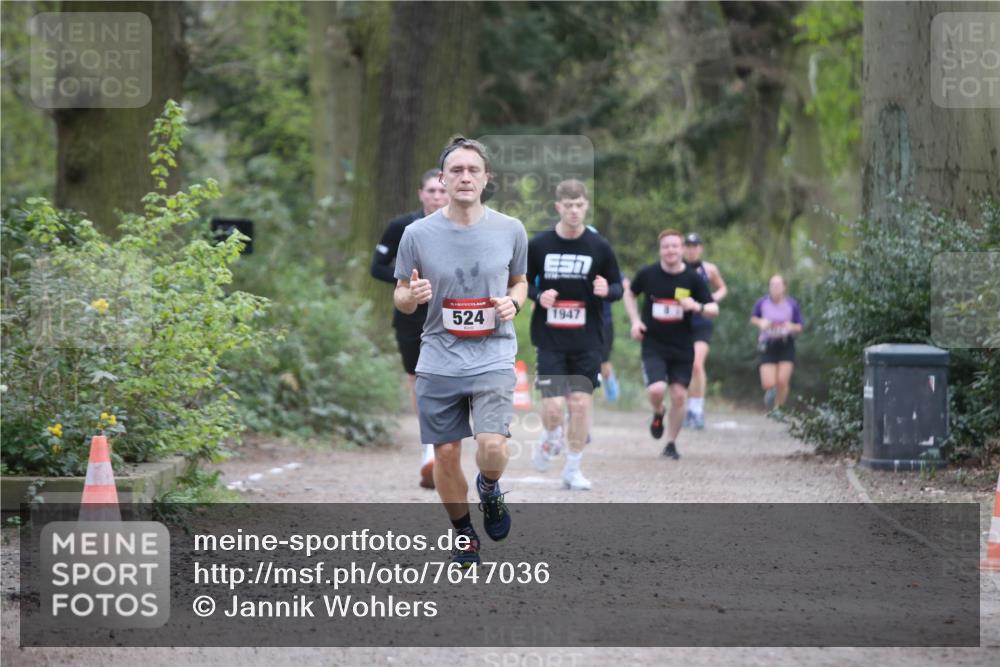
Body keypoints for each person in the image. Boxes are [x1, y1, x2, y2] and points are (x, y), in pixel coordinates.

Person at [393, 136, 528, 567]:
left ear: (487, 178)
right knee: (446, 454)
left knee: (491, 446)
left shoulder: (511, 229)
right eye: (456, 170)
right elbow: (399, 295)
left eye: (473, 170)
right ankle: (464, 532)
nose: (465, 177)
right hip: (438, 354)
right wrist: (411, 296)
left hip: (493, 352)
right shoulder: (416, 234)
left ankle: (489, 487)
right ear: (443, 179)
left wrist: (515, 301)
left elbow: (521, 281)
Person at [527, 180, 623, 489]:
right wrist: (537, 295)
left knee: (580, 404)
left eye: (579, 205)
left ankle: (572, 468)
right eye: (567, 205)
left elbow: (619, 286)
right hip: (550, 338)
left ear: (586, 206)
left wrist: (608, 290)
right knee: (554, 407)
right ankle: (550, 435)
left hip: (587, 338)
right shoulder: (540, 244)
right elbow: (519, 281)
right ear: (558, 207)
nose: (573, 211)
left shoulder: (599, 246)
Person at [371, 169, 449, 489]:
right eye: (430, 190)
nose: (436, 196)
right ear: (420, 193)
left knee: (446, 375)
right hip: (410, 315)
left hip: (448, 315)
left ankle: (445, 439)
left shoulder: (458, 227)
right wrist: (407, 282)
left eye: (441, 191)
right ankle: (429, 446)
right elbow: (377, 267)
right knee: (417, 378)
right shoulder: (402, 226)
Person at [624, 229, 718, 459]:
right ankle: (658, 412)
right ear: (660, 250)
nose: (671, 251)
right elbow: (630, 294)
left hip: (682, 345)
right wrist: (635, 322)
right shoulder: (648, 274)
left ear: (682, 249)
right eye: (666, 246)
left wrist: (696, 306)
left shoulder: (692, 278)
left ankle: (671, 444)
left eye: (675, 246)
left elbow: (713, 309)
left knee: (678, 396)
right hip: (654, 343)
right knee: (656, 389)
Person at [681, 233, 728, 429]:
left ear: (700, 248)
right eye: (688, 246)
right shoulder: (677, 269)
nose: (691, 249)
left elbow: (723, 288)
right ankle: (686, 409)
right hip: (682, 323)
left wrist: (711, 300)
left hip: (702, 321)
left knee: (697, 365)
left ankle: (697, 410)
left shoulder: (709, 269)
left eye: (695, 246)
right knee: (683, 368)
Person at [750, 274, 803, 419]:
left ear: (784, 287)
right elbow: (754, 318)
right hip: (768, 344)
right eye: (772, 285)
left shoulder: (791, 304)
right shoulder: (762, 303)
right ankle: (770, 393)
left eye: (778, 285)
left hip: (786, 344)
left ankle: (779, 409)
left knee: (782, 380)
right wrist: (761, 323)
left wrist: (791, 326)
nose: (775, 288)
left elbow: (800, 326)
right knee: (768, 383)